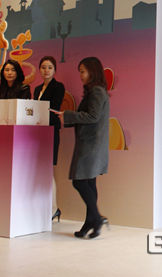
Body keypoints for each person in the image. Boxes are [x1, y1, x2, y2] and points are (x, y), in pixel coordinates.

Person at [53, 57, 109, 239]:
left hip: (91, 145)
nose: (80, 75)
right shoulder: (96, 91)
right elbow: (90, 116)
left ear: (92, 71)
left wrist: (69, 115)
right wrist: (68, 117)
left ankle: (97, 218)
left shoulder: (97, 92)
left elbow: (92, 116)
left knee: (80, 182)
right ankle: (90, 222)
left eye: (83, 71)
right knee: (89, 182)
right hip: (92, 143)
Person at [33, 56, 65, 223]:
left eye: (50, 67)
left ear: (54, 70)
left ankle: (53, 208)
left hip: (50, 131)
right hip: (37, 133)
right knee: (40, 171)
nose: (46, 70)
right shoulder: (37, 89)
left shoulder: (58, 87)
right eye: (43, 67)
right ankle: (46, 208)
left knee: (48, 170)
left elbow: (54, 110)